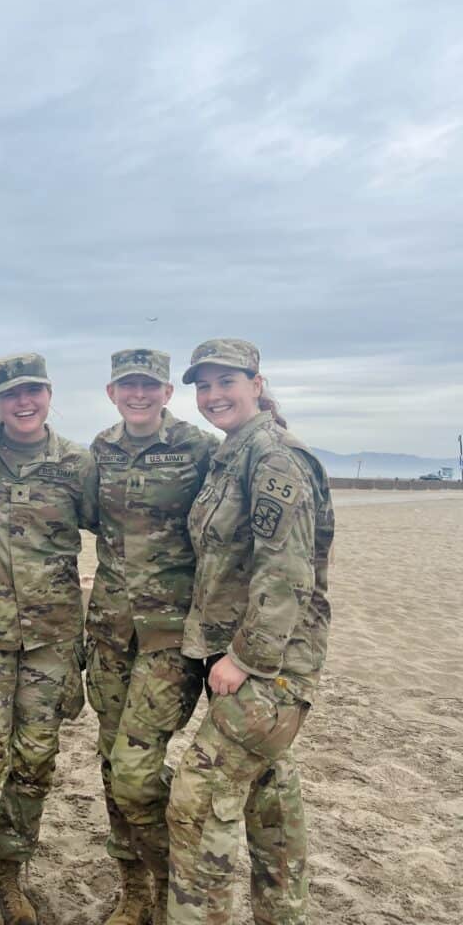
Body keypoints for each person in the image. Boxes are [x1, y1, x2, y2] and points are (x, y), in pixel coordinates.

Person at [166, 339, 334, 925]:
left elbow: (287, 574)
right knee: (269, 796)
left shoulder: (273, 457)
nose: (213, 396)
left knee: (197, 803)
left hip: (268, 669)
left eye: (225, 382)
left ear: (256, 384)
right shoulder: (233, 454)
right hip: (237, 660)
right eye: (203, 386)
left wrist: (247, 659)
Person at [0, 353, 97, 925]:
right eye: (10, 394)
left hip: (51, 644)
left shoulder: (78, 464)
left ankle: (10, 876)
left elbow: (126, 533)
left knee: (33, 765)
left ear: (49, 394)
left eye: (32, 391)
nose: (23, 403)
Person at [86, 348, 218, 925]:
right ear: (112, 392)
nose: (138, 394)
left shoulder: (200, 449)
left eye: (149, 385)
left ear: (167, 393)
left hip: (170, 638)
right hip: (111, 631)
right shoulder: (99, 450)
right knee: (112, 765)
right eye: (126, 385)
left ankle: (170, 880)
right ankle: (133, 886)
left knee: (138, 771)